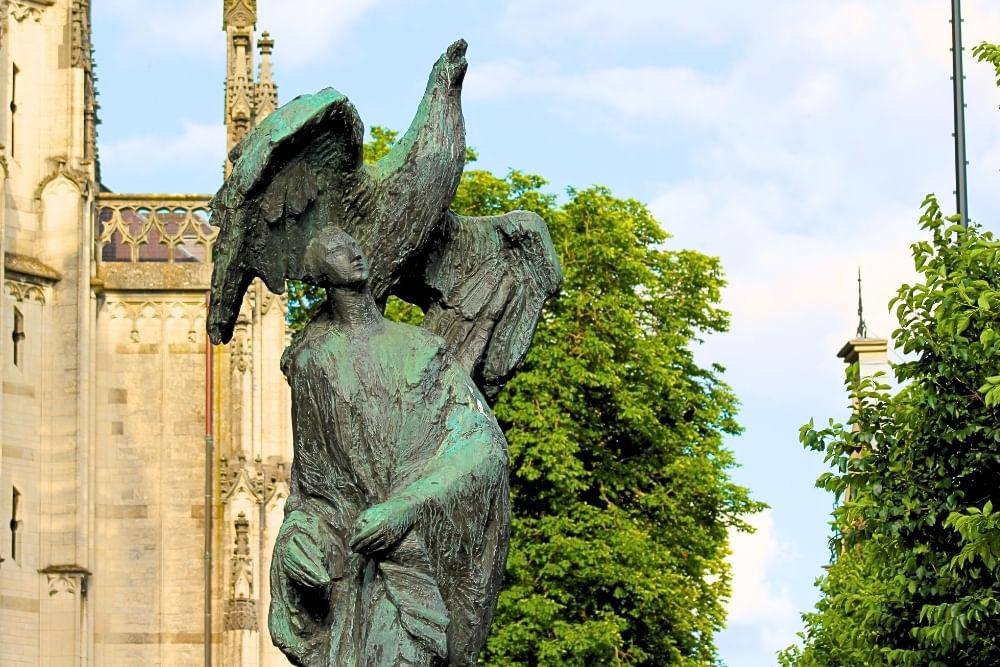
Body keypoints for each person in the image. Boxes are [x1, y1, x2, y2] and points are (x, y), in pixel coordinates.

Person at [269, 227, 510, 667]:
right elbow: (313, 489)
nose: (353, 252)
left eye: (354, 244)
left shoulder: (424, 350)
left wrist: (409, 507)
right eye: (337, 250)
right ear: (320, 272)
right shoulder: (312, 363)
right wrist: (297, 538)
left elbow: (484, 443)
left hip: (414, 557)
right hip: (353, 567)